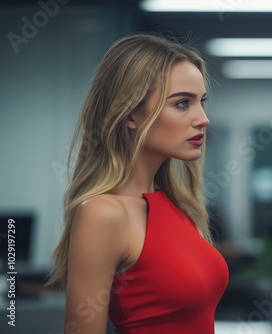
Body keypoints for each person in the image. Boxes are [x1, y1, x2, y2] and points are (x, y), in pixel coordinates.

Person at [47, 33, 229, 334]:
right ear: (131, 113)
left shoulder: (177, 207)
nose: (203, 119)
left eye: (202, 102)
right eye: (183, 103)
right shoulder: (103, 213)